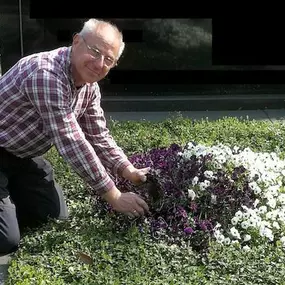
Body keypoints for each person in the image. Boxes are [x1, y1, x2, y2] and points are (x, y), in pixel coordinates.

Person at [0, 18, 151, 255]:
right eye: (95, 51)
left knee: (53, 216)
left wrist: (127, 170)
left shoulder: (89, 86)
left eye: (108, 60)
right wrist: (114, 196)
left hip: (21, 156)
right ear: (77, 41)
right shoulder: (46, 74)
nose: (99, 63)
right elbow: (71, 141)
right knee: (5, 240)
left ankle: (8, 192)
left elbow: (98, 135)